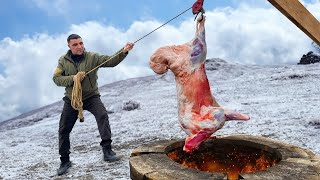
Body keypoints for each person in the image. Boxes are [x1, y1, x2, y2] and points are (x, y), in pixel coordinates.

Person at [53, 34, 134, 176]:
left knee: (102, 115)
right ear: (69, 46)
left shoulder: (92, 57)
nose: (79, 46)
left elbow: (111, 61)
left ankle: (107, 151)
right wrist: (73, 78)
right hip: (72, 99)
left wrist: (124, 51)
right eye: (75, 44)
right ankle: (65, 161)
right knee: (64, 129)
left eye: (81, 43)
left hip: (91, 96)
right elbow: (56, 79)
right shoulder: (63, 61)